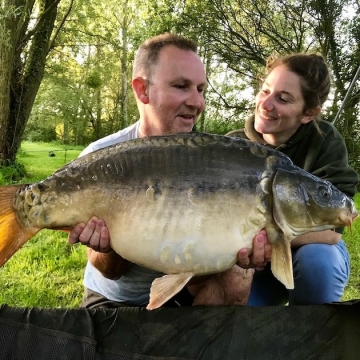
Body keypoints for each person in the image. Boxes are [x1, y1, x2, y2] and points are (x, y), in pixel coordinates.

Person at [68, 33, 270, 308]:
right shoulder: (100, 158)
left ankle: (199, 345)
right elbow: (109, 270)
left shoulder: (211, 160)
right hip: (116, 299)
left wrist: (244, 248)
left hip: (185, 291)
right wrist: (108, 243)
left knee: (238, 275)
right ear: (142, 90)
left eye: (200, 89)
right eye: (181, 86)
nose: (197, 102)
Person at [226, 53, 359, 305]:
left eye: (283, 99)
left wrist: (263, 236)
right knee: (231, 297)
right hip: (253, 261)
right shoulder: (234, 145)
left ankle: (314, 335)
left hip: (308, 255)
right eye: (265, 91)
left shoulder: (325, 142)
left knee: (317, 262)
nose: (266, 104)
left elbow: (331, 233)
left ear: (308, 113)